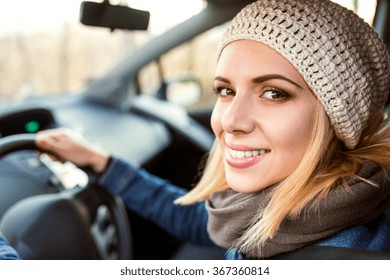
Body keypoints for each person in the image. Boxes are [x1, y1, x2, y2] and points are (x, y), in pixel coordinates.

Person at [34, 0, 390, 259]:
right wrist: (103, 163)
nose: (230, 121)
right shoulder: (288, 203)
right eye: (226, 91)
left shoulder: (343, 255)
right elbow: (199, 222)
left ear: (337, 117)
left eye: (274, 93)